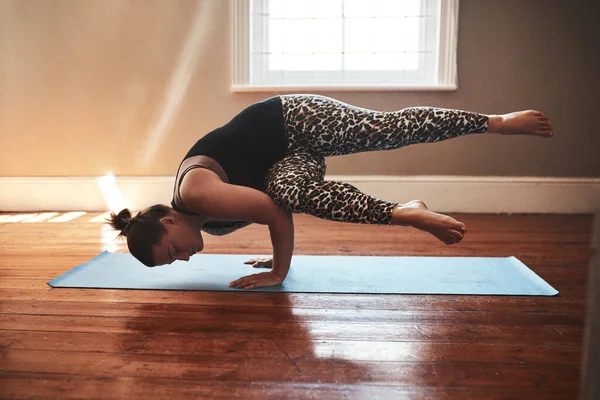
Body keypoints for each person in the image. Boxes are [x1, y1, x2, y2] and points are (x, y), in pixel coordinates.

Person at [108, 94, 553, 289]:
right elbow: (273, 199)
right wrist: (274, 256)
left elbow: (273, 214)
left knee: (389, 130)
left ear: (168, 221)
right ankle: (406, 209)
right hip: (285, 162)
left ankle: (496, 122)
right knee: (291, 191)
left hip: (293, 119)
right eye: (175, 262)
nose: (184, 258)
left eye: (172, 253)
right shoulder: (211, 223)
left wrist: (279, 271)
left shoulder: (198, 195)